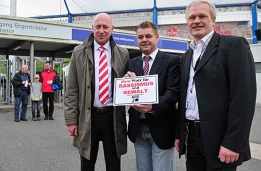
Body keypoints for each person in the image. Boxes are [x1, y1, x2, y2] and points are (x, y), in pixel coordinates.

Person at [174, 1, 256, 171]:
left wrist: (233, 142)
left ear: (213, 20)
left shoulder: (234, 46)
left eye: (202, 16)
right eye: (192, 17)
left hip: (221, 140)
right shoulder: (187, 54)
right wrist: (179, 135)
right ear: (187, 22)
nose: (196, 21)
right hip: (192, 136)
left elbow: (243, 99)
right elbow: (184, 97)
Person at [64, 13, 129, 171]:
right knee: (87, 163)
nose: (101, 30)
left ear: (112, 29)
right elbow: (72, 89)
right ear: (92, 28)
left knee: (113, 164)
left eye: (105, 27)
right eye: (98, 27)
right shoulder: (78, 53)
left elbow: (127, 85)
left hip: (112, 117)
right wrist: (71, 120)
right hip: (88, 116)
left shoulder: (123, 53)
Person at [124, 21, 181, 171]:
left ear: (157, 37)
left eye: (148, 36)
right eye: (140, 37)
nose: (144, 40)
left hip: (162, 128)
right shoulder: (131, 63)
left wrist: (152, 107)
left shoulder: (172, 61)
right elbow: (130, 93)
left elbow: (173, 93)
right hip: (138, 129)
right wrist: (126, 86)